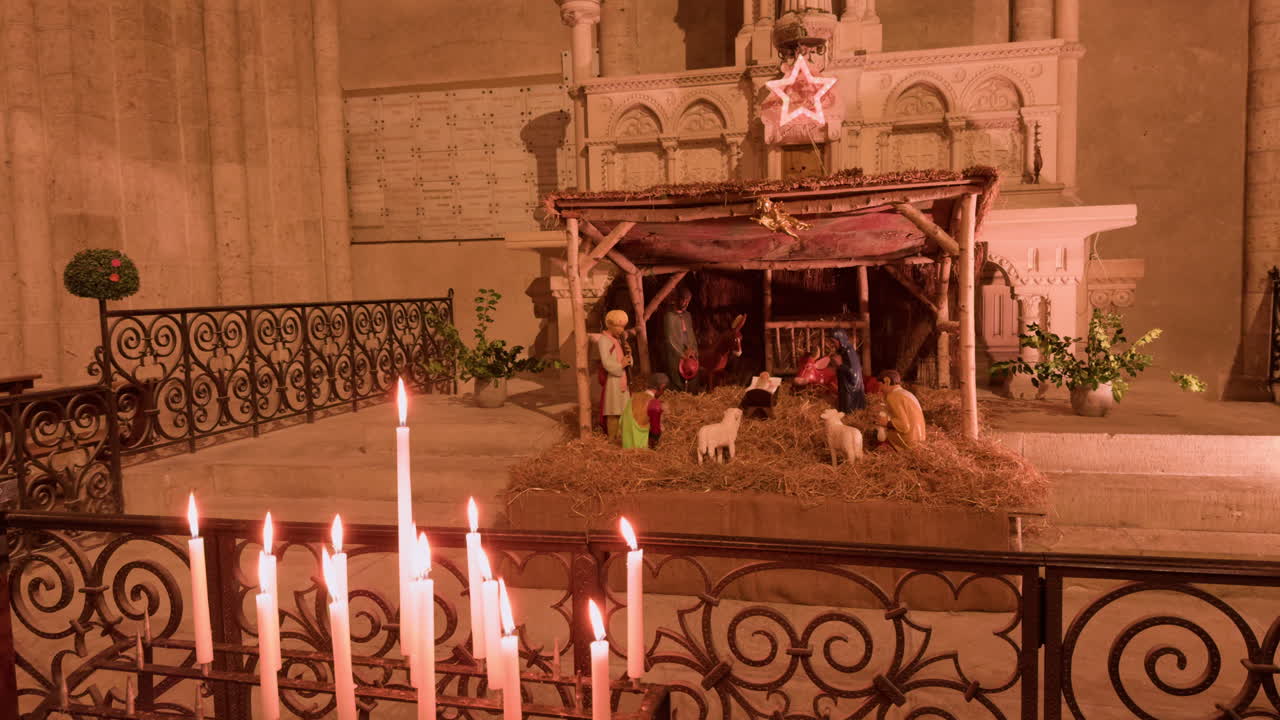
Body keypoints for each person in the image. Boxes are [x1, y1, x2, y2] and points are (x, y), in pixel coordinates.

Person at [595, 309, 632, 443]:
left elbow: (626, 360)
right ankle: (612, 439)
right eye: (619, 326)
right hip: (613, 380)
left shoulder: (619, 340)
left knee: (623, 410)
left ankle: (622, 438)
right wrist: (621, 365)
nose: (622, 330)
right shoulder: (604, 340)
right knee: (613, 410)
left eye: (623, 327)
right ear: (610, 324)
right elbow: (606, 362)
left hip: (623, 380)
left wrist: (629, 355)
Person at [877, 369, 926, 450]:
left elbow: (904, 425)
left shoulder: (893, 396)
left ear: (887, 381)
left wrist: (887, 423)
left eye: (880, 385)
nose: (880, 389)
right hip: (920, 440)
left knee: (881, 435)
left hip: (908, 442)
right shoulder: (905, 393)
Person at [662, 287, 699, 392]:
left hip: (688, 348)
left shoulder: (688, 315)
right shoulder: (669, 316)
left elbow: (691, 334)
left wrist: (692, 350)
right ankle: (679, 390)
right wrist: (682, 354)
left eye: (688, 301)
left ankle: (692, 390)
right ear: (677, 299)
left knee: (694, 363)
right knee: (676, 366)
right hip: (676, 350)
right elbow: (670, 339)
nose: (686, 304)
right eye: (684, 300)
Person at [622, 373, 669, 450]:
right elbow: (655, 431)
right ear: (662, 387)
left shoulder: (633, 397)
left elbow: (621, 421)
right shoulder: (654, 403)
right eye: (664, 390)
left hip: (626, 445)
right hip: (640, 449)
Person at [827, 330, 866, 412]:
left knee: (848, 411)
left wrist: (840, 365)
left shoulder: (849, 352)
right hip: (845, 388)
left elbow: (854, 375)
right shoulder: (843, 352)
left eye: (834, 342)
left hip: (851, 391)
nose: (832, 345)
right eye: (831, 342)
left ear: (841, 340)